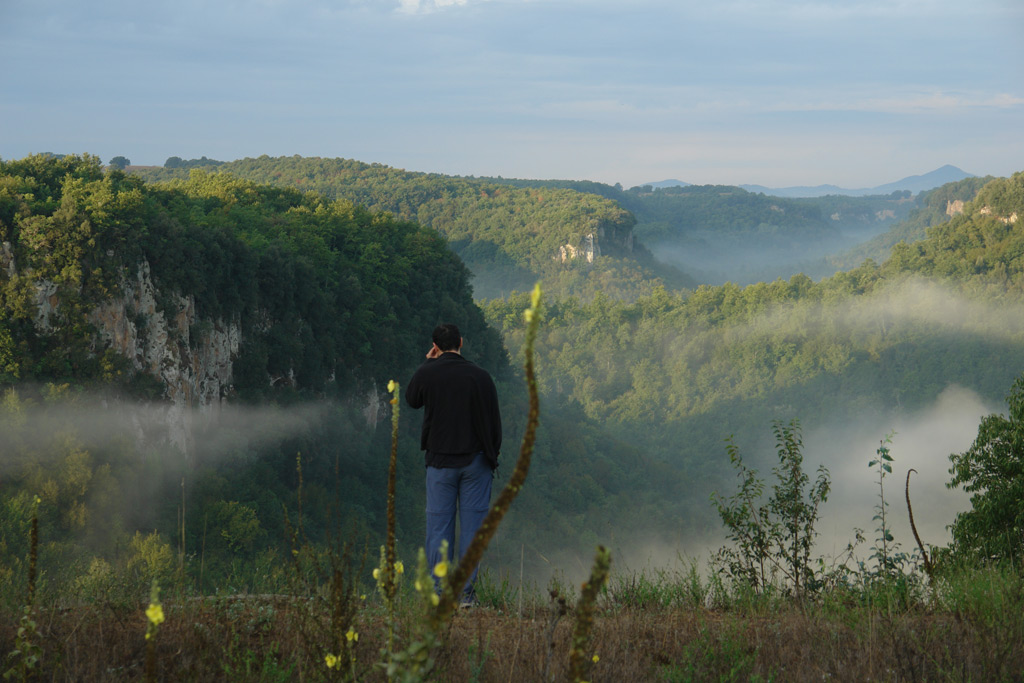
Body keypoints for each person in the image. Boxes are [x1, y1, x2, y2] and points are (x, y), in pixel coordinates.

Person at [405, 323, 501, 605]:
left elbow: (411, 399)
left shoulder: (428, 374)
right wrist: (490, 457)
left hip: (440, 463)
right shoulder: (481, 377)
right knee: (472, 530)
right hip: (476, 464)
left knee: (438, 529)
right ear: (461, 341)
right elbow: (495, 424)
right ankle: (466, 597)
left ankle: (438, 593)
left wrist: (427, 364)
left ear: (435, 346)